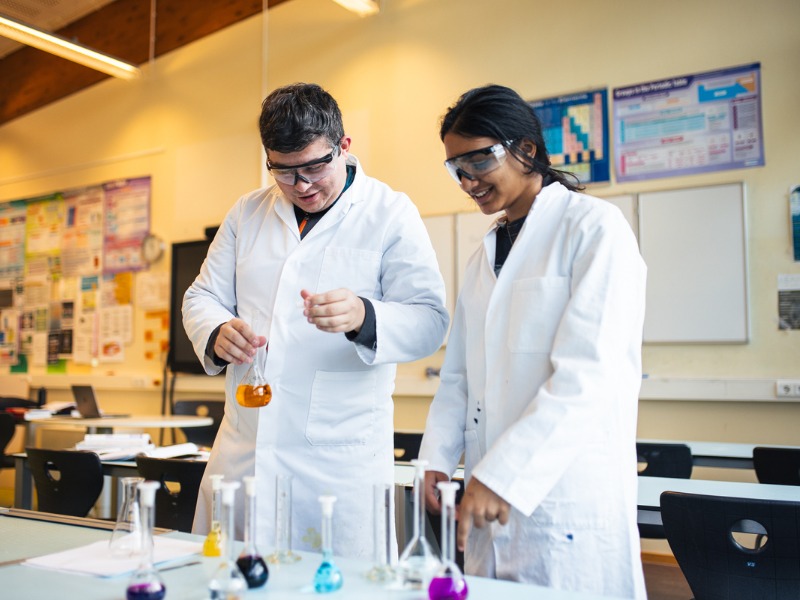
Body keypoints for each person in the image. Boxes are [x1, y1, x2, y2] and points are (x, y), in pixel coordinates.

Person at [183, 83, 449, 559]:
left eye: (313, 167)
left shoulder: (390, 213)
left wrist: (365, 316)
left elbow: (430, 320)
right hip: (247, 451)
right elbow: (202, 296)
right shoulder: (247, 213)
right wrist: (217, 331)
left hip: (337, 465)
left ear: (343, 147)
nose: (301, 185)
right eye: (283, 172)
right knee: (228, 582)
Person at [418, 84, 647, 598]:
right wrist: (436, 457)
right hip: (485, 497)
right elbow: (458, 376)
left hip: (561, 498)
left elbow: (590, 374)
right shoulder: (485, 255)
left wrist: (504, 475)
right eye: (455, 167)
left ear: (525, 149)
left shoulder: (593, 229)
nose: (467, 179)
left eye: (479, 159)